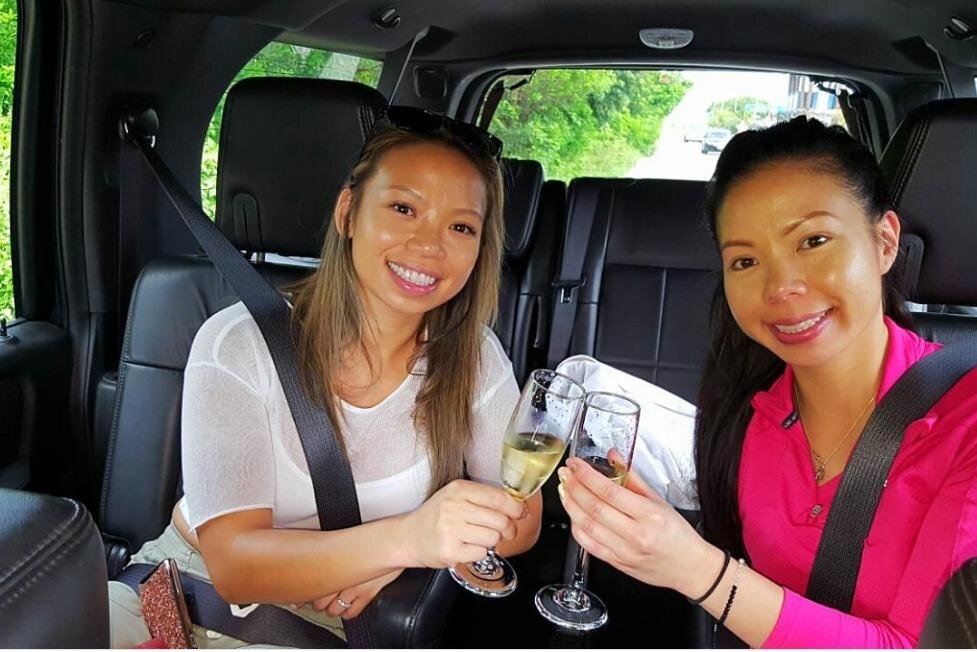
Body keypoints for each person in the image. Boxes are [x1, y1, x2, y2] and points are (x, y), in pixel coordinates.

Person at [108, 108, 540, 647]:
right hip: (179, 589)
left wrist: (414, 554)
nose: (430, 244)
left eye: (460, 227)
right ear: (348, 212)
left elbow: (524, 518)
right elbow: (235, 566)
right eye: (403, 208)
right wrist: (405, 542)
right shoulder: (237, 342)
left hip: (326, 620)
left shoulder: (473, 356)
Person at [556, 116, 977, 647]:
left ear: (885, 241)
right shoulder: (746, 408)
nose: (781, 286)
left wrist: (697, 569)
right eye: (746, 260)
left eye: (814, 240)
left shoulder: (965, 420)